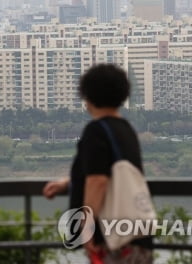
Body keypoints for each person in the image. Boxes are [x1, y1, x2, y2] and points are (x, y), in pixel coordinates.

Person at [43, 63, 153, 263]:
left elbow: (98, 180)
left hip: (112, 239)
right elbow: (112, 171)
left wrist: (87, 228)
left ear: (87, 97)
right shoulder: (125, 129)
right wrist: (69, 183)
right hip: (135, 235)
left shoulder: (96, 131)